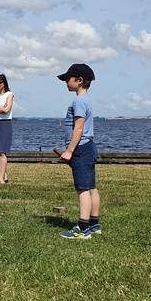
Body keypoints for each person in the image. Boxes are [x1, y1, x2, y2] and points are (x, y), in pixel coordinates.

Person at [57, 63, 100, 239]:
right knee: (91, 188)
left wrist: (69, 151)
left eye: (68, 79)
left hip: (81, 148)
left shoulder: (79, 101)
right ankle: (93, 224)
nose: (66, 82)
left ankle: (83, 229)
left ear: (80, 80)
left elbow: (79, 128)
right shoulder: (85, 100)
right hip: (88, 147)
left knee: (82, 189)